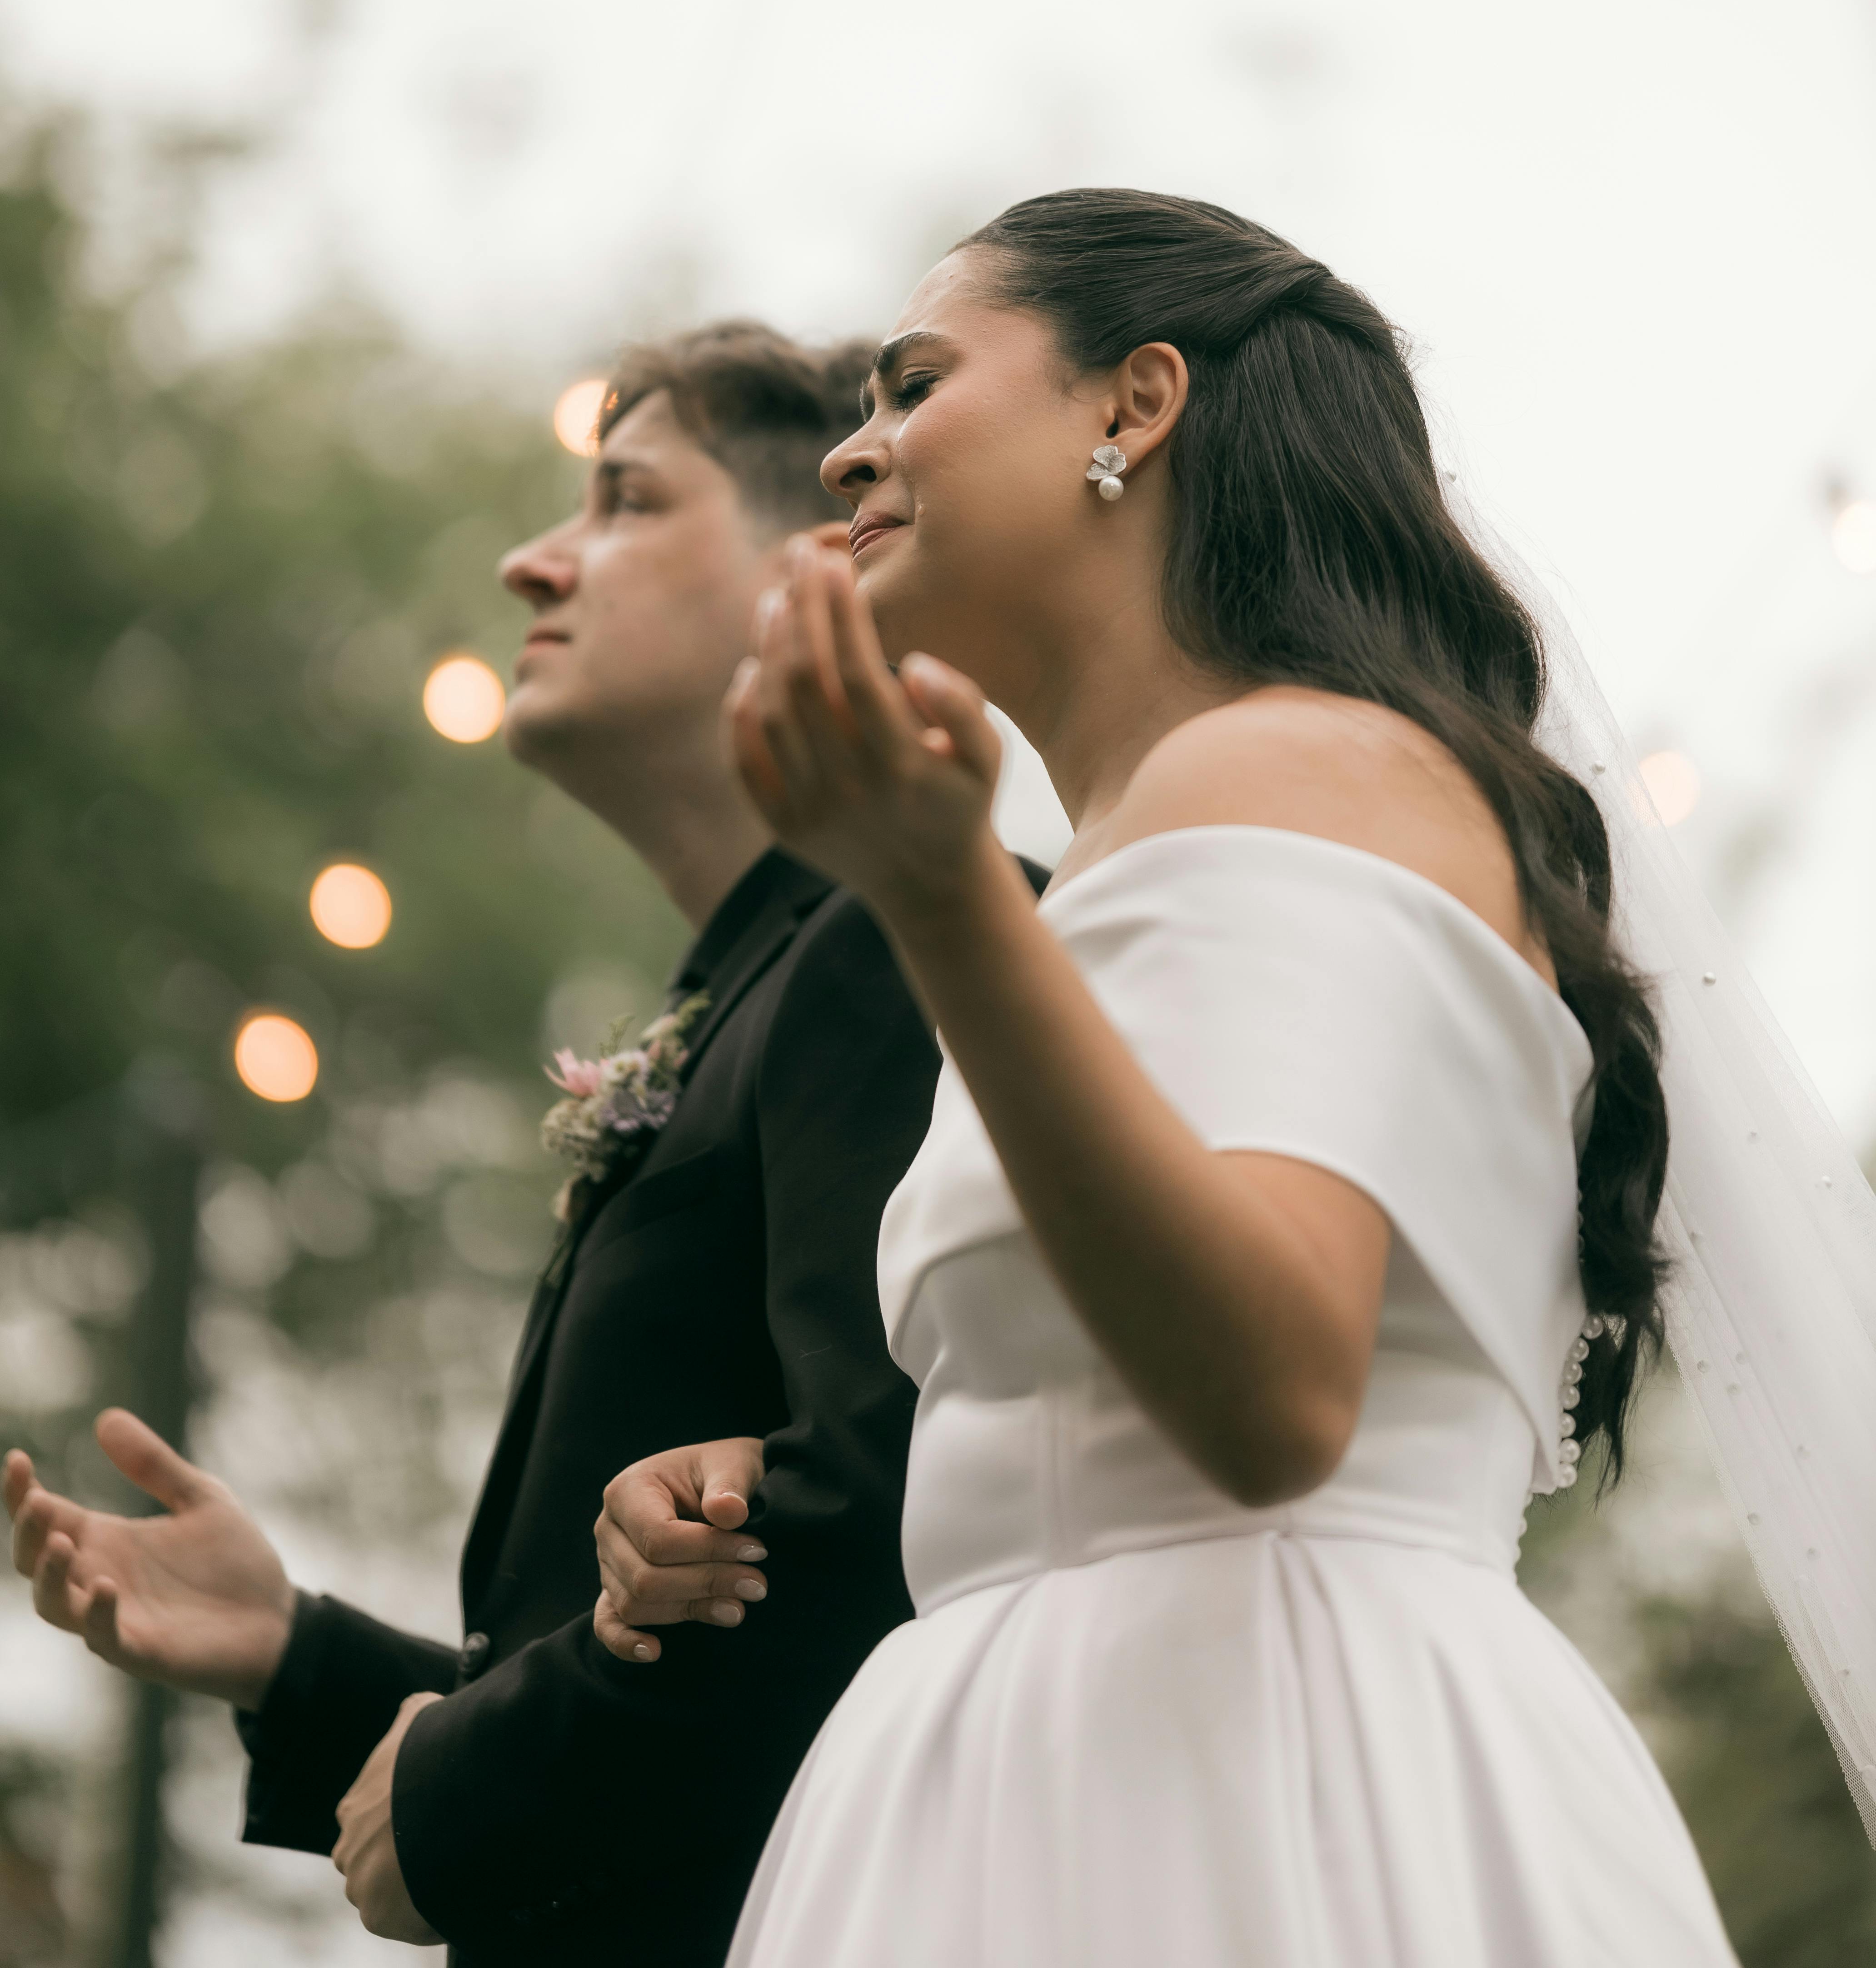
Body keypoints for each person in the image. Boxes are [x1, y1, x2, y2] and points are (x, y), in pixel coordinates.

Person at [599, 191, 1745, 1966]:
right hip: (1059, 1758)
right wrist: (743, 1473)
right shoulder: (1166, 828)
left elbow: (1276, 1395)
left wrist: (936, 887)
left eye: (915, 383)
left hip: (1254, 1786)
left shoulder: (1299, 766)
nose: (855, 452)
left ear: (1133, 408)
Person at [5, 323, 955, 1967]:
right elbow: (654, 1638)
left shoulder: (899, 949)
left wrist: (457, 1796)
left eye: (624, 501)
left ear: (813, 565)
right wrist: (294, 1654)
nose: (532, 562)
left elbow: (880, 1534)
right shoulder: (754, 985)